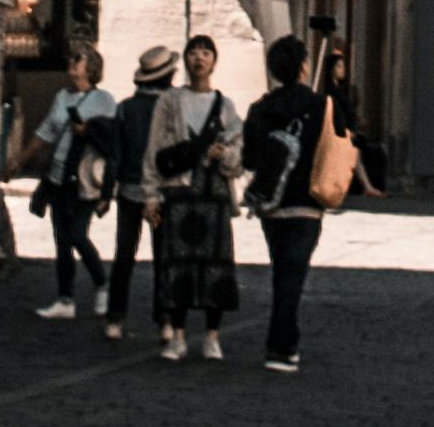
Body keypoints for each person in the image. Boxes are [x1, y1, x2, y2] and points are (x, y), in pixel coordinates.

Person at [238, 32, 334, 372]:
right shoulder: (321, 105)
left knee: (282, 271)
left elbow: (248, 160)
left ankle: (280, 343)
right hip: (307, 201)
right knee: (293, 275)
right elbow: (335, 148)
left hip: (272, 203)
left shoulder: (259, 109)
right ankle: (282, 346)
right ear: (304, 68)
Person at [145, 33, 241, 366]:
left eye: (205, 52)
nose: (199, 58)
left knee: (216, 267)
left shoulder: (225, 105)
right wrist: (151, 195)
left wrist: (224, 154)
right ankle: (180, 335)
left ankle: (213, 337)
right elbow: (154, 150)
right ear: (185, 60)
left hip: (213, 194)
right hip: (180, 192)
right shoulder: (170, 101)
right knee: (179, 266)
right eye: (193, 52)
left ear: (214, 60)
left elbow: (238, 155)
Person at [30, 39, 118, 319]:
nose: (71, 63)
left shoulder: (104, 100)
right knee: (62, 240)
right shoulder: (61, 97)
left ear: (90, 66)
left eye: (76, 59)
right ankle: (65, 299)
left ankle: (102, 283)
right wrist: (19, 161)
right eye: (70, 59)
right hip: (59, 177)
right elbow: (45, 133)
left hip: (86, 179)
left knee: (78, 235)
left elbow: (112, 142)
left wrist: (88, 131)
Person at [97, 41, 177, 345]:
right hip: (159, 195)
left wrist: (106, 193)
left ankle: (115, 318)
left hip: (130, 193)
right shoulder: (171, 107)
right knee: (163, 256)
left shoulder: (126, 109)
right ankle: (165, 320)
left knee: (124, 255)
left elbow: (114, 156)